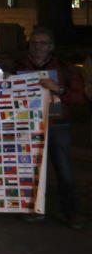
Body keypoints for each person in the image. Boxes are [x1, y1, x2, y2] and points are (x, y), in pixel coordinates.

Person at [14, 28, 88, 228]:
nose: (38, 47)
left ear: (51, 47)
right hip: (28, 125)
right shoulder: (19, 65)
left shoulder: (64, 68)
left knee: (64, 171)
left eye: (43, 43)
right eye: (35, 43)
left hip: (57, 125)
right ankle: (36, 209)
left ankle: (71, 213)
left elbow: (80, 98)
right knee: (33, 172)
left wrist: (59, 89)